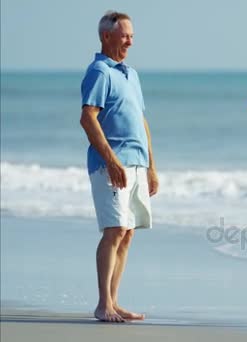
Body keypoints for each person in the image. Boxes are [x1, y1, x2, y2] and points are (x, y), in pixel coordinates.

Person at [80, 10, 158, 323]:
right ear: (106, 36)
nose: (129, 41)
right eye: (125, 35)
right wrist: (111, 160)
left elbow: (141, 120)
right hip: (111, 165)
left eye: (132, 36)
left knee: (127, 234)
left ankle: (114, 300)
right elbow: (88, 118)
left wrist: (151, 165)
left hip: (137, 164)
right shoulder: (99, 71)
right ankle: (103, 304)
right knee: (114, 231)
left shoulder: (131, 74)